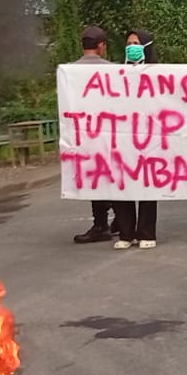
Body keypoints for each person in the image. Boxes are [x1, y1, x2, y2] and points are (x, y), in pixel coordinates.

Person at [111, 29, 160, 250]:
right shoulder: (116, 74)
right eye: (129, 43)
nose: (131, 47)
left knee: (148, 185)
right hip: (122, 136)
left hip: (151, 137)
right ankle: (125, 233)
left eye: (136, 43)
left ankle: (146, 232)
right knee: (123, 183)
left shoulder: (160, 74)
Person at [71, 25, 120, 245]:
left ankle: (101, 224)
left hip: (84, 133)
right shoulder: (112, 70)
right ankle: (120, 220)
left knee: (95, 177)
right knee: (115, 175)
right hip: (111, 132)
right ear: (101, 46)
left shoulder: (70, 72)